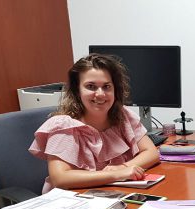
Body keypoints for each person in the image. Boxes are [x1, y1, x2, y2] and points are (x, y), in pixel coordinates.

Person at [29, 53, 160, 193]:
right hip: (72, 202)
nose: (100, 94)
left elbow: (152, 152)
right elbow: (60, 179)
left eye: (106, 86)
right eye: (91, 86)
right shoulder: (64, 126)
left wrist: (123, 167)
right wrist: (117, 174)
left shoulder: (123, 116)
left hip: (112, 194)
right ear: (77, 90)